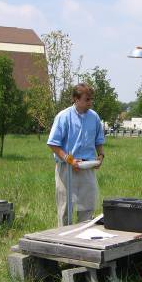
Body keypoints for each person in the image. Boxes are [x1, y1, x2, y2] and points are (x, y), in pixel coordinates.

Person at [47, 83, 105, 227]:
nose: (90, 103)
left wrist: (101, 155)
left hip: (87, 167)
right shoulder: (63, 116)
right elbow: (53, 143)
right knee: (65, 207)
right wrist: (70, 159)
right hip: (67, 168)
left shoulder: (94, 117)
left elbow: (99, 140)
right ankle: (64, 242)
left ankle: (83, 240)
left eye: (91, 99)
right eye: (87, 99)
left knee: (87, 207)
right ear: (76, 99)